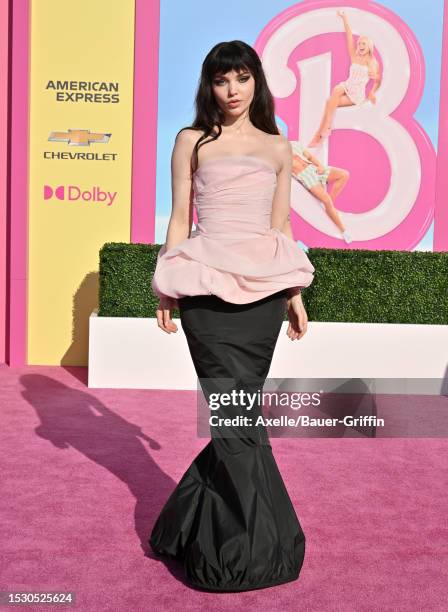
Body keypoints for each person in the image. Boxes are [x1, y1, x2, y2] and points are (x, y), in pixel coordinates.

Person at [149, 40, 315, 592]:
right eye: (222, 81)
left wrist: (294, 293)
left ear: (256, 82)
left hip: (265, 294)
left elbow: (281, 225)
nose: (232, 90)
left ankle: (192, 526)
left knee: (238, 418)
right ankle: (248, 550)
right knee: (234, 418)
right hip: (205, 290)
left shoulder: (276, 146)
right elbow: (179, 218)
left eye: (241, 78)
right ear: (209, 87)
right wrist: (164, 285)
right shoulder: (190, 140)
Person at [308, 9, 381, 148]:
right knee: (336, 89)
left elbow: (377, 80)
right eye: (359, 43)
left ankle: (318, 135)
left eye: (363, 44)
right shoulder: (354, 56)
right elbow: (349, 35)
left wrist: (372, 92)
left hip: (356, 95)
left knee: (330, 102)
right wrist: (344, 18)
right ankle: (325, 129)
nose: (359, 46)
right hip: (346, 86)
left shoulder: (372, 63)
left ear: (369, 47)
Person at [291, 141, 352, 243]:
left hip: (313, 168)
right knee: (327, 201)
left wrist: (320, 166)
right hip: (305, 176)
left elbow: (310, 157)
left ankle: (330, 207)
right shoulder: (278, 154)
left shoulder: (294, 144)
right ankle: (343, 230)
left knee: (344, 174)